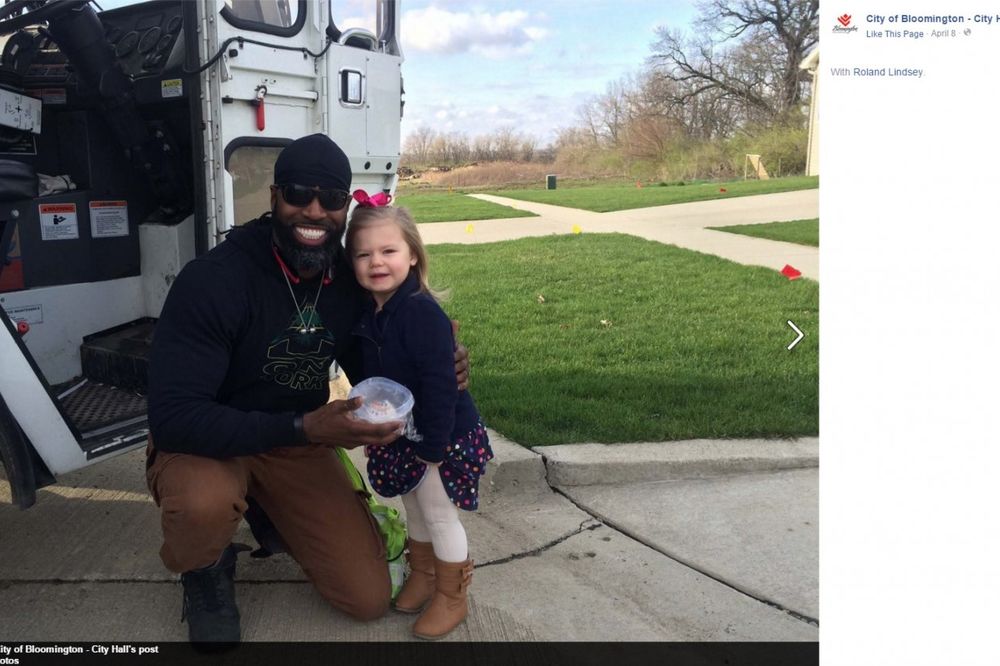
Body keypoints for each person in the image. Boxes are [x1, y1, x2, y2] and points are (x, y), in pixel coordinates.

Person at [145, 134, 469, 645]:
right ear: (274, 196)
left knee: (365, 599)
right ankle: (205, 568)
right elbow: (172, 418)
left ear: (345, 206)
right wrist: (306, 425)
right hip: (209, 445)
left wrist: (435, 365)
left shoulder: (344, 278)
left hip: (295, 445)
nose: (313, 210)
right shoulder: (215, 279)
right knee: (203, 503)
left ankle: (272, 510)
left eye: (331, 199)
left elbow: (372, 359)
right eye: (298, 193)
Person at [345, 201, 494, 640]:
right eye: (363, 254)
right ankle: (424, 574)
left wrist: (435, 445)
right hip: (404, 434)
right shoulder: (371, 313)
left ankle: (452, 595)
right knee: (412, 507)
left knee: (439, 513)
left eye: (388, 251)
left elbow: (441, 384)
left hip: (438, 434)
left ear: (412, 255)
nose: (376, 262)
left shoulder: (421, 312)